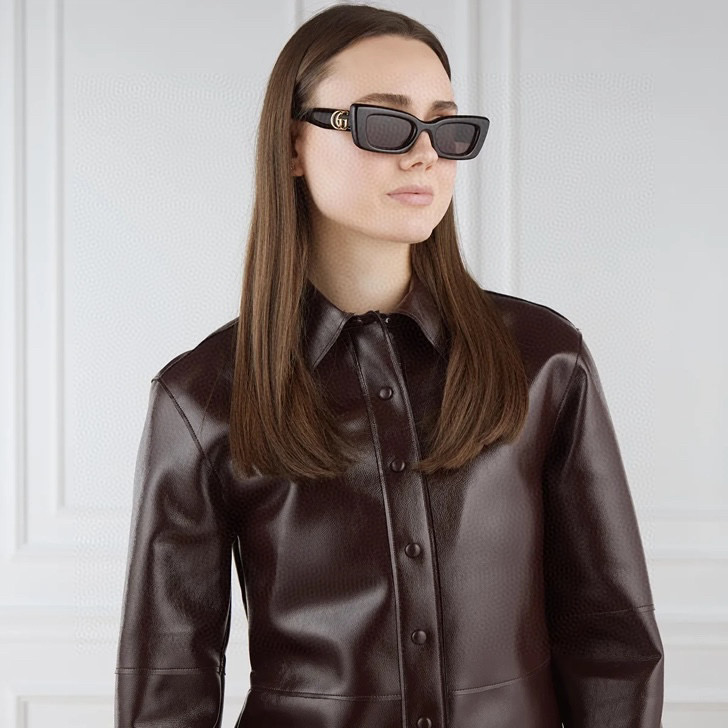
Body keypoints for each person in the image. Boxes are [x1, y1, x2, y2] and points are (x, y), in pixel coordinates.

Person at [114, 4, 664, 727]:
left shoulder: (544, 359)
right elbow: (169, 680)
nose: (424, 154)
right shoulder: (202, 396)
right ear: (293, 146)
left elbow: (611, 638)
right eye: (385, 124)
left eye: (446, 129)